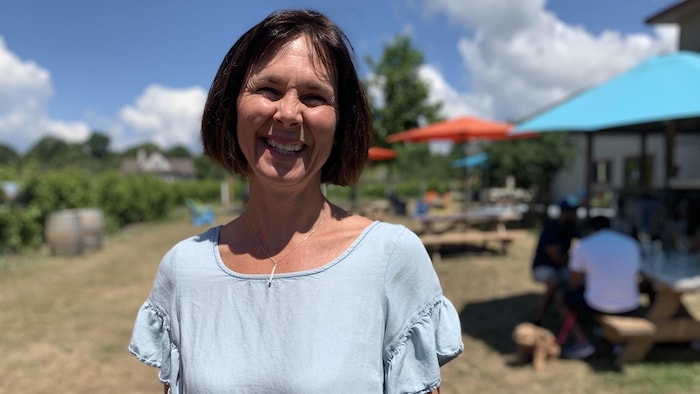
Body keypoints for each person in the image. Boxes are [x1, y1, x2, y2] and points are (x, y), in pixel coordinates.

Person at [128, 9, 463, 393]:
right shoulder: (183, 271)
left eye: (313, 96)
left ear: (341, 123)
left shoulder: (392, 260)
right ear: (231, 106)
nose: (288, 113)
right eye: (268, 89)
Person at [558, 216, 641, 359]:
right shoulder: (631, 243)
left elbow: (574, 283)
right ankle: (616, 341)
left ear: (591, 229)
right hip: (631, 303)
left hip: (597, 304)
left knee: (561, 298)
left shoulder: (583, 245)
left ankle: (582, 342)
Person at [531, 199, 579, 326]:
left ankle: (573, 315)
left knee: (579, 280)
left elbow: (585, 238)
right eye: (572, 212)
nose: (575, 214)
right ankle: (539, 317)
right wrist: (576, 259)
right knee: (554, 283)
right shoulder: (551, 228)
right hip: (543, 266)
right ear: (563, 212)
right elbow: (557, 258)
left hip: (561, 266)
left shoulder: (570, 227)